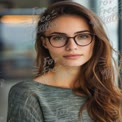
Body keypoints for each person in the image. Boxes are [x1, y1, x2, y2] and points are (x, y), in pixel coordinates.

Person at [7, 1, 122, 122]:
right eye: (58, 38)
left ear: (95, 40)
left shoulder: (110, 94)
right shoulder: (27, 94)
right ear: (44, 42)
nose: (72, 46)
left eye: (82, 36)